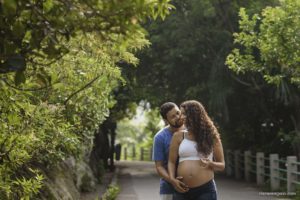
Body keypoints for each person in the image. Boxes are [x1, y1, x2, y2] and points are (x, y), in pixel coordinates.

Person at [168, 100, 225, 200]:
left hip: (205, 190)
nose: (182, 117)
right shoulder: (178, 136)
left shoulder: (212, 136)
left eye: (185, 114)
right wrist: (173, 180)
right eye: (182, 114)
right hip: (181, 189)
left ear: (195, 115)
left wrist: (211, 164)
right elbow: (171, 162)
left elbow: (222, 165)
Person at [153, 102, 188, 200]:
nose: (178, 117)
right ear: (166, 120)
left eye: (178, 113)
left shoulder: (192, 131)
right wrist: (172, 181)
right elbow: (159, 167)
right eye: (173, 116)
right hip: (169, 188)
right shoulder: (160, 137)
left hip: (193, 187)